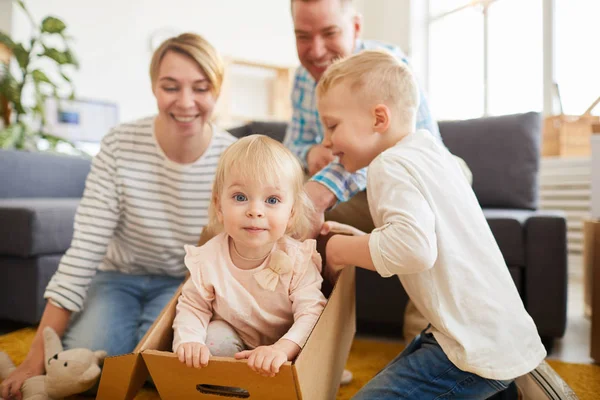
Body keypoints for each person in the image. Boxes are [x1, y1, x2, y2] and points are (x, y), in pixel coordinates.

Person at [0, 33, 237, 400]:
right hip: (117, 278)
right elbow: (84, 250)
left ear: (217, 90)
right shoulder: (119, 144)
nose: (186, 102)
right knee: (88, 370)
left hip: (184, 286)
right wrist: (33, 358)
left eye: (201, 88)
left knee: (164, 367)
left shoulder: (232, 156)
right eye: (170, 86)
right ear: (154, 87)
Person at [316, 49, 546, 399]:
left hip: (470, 349)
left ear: (379, 118)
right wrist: (365, 239)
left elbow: (413, 249)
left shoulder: (388, 165)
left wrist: (339, 249)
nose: (327, 142)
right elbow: (428, 238)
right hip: (496, 332)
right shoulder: (432, 153)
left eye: (332, 126)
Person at [172, 135, 327, 377]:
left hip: (284, 344)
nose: (255, 211)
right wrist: (189, 341)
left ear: (292, 213)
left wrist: (282, 349)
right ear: (219, 207)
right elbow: (193, 305)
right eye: (240, 197)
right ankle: (228, 388)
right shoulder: (208, 258)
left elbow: (311, 313)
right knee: (212, 337)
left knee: (309, 346)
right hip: (234, 341)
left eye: (272, 200)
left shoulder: (297, 259)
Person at [285, 0, 443, 236]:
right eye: (303, 36)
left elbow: (414, 153)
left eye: (330, 33)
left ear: (356, 27)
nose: (316, 51)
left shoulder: (388, 67)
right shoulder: (303, 78)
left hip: (406, 179)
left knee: (291, 211)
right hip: (352, 186)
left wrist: (329, 181)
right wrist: (311, 153)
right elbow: (292, 145)